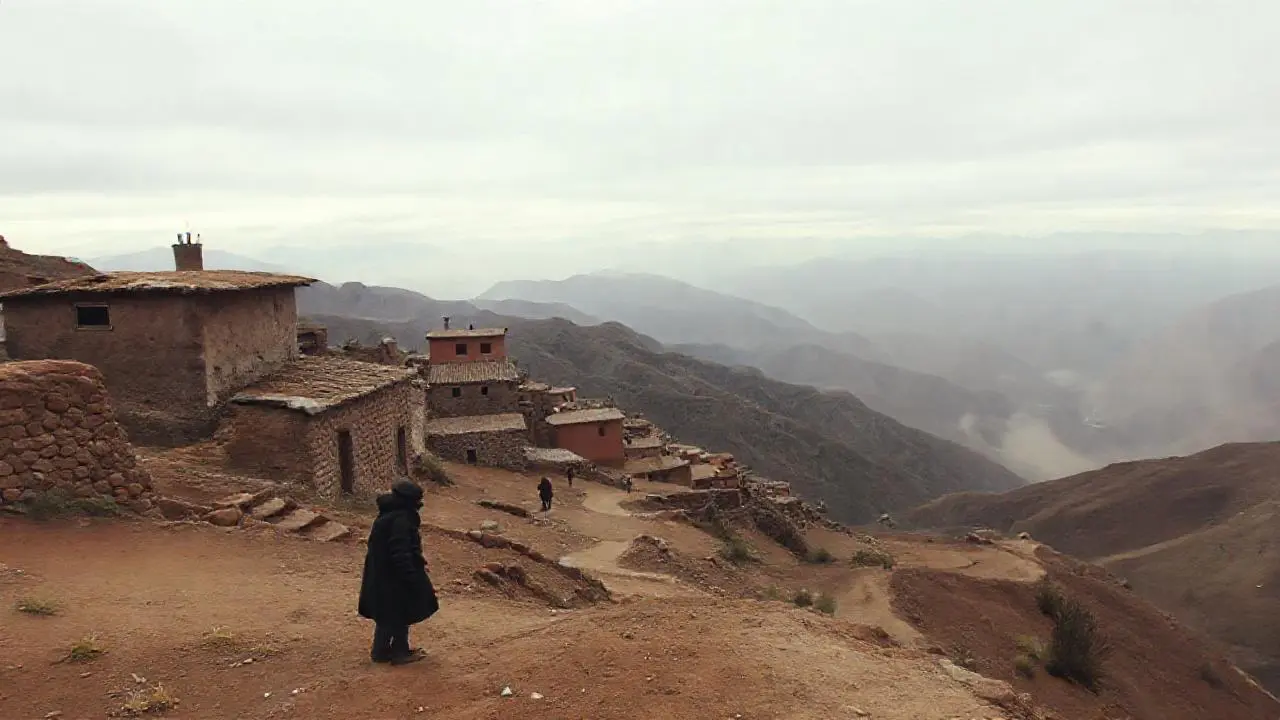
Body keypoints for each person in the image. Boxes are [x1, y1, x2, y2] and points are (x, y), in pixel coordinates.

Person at [358, 480, 438, 666]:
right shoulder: (401, 519)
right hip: (393, 576)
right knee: (397, 613)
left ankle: (384, 651)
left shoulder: (390, 514)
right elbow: (399, 551)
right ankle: (396, 652)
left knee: (392, 614)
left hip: (383, 573)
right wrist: (410, 575)